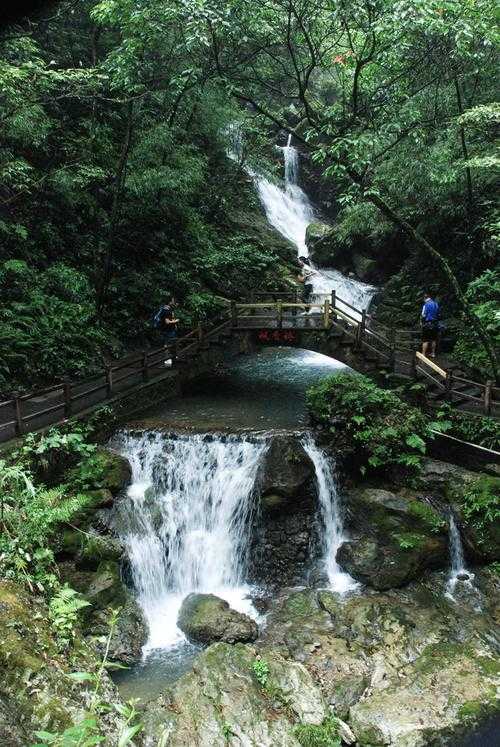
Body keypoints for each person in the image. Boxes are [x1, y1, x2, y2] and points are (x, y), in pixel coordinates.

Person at [156, 296, 179, 367]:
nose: (174, 303)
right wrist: (176, 321)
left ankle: (172, 359)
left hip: (166, 330)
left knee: (170, 344)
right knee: (168, 345)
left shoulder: (166, 309)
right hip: (168, 331)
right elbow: (167, 322)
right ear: (169, 302)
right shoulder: (167, 310)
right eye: (172, 301)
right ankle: (168, 361)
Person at [421, 292, 440, 358]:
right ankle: (433, 353)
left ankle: (423, 354)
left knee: (425, 339)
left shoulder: (426, 305)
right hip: (435, 324)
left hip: (428, 324)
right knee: (433, 339)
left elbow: (423, 315)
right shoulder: (436, 304)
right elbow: (438, 313)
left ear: (424, 298)